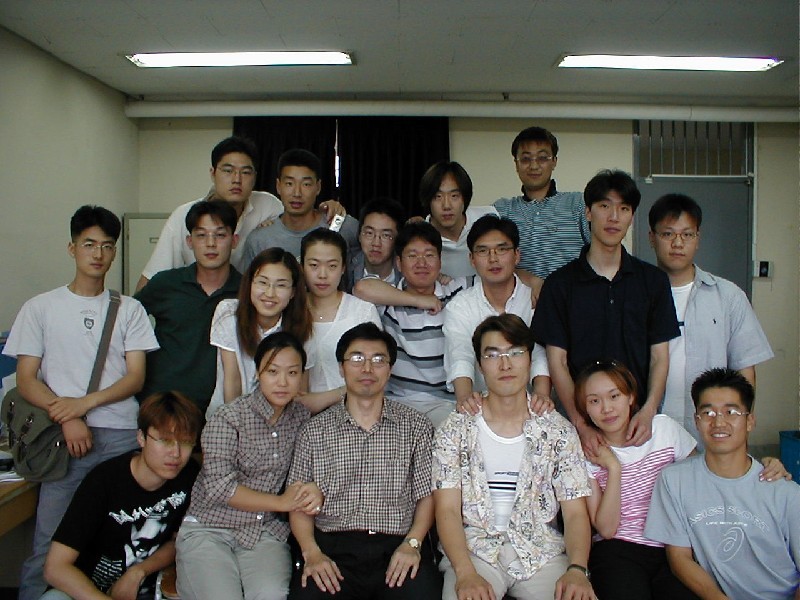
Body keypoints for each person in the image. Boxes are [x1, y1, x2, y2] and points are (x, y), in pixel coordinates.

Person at [3, 205, 159, 600]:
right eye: (89, 244)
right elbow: (26, 379)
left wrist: (83, 405)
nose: (98, 254)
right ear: (72, 248)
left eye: (107, 246)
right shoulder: (41, 307)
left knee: (119, 535)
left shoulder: (130, 309)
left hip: (121, 437)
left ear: (114, 252)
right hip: (62, 439)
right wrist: (68, 417)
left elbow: (135, 377)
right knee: (50, 538)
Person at [433, 314, 595, 600]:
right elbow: (446, 510)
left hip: (541, 552)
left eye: (516, 353)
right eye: (493, 355)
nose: (505, 364)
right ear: (479, 365)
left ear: (530, 360)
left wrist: (577, 570)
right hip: (475, 552)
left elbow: (574, 512)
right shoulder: (456, 428)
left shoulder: (557, 430)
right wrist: (465, 572)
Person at [287, 323, 442, 599]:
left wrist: (413, 543)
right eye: (357, 358)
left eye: (378, 360)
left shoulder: (416, 426)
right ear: (341, 368)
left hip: (397, 546)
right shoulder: (314, 430)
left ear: (390, 370)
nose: (367, 368)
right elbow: (297, 502)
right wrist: (312, 553)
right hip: (332, 549)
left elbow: (426, 496)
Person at [532, 170, 680, 454]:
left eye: (623, 209)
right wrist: (580, 424)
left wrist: (649, 411)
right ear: (588, 212)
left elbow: (660, 356)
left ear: (631, 217)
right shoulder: (560, 284)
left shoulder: (653, 281)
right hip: (580, 431)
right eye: (604, 206)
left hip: (638, 426)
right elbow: (557, 361)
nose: (614, 217)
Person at [176, 332, 323, 600]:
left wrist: (311, 489)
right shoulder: (228, 418)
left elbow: (308, 473)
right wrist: (281, 503)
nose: (282, 382)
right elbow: (220, 488)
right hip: (211, 528)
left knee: (272, 594)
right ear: (258, 373)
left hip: (265, 531)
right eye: (272, 371)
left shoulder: (301, 419)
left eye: (292, 373)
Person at [645, 368, 800, 600]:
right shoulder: (674, 480)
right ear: (697, 421)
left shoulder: (785, 492)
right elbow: (679, 558)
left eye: (731, 412)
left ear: (750, 421)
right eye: (707, 412)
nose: (719, 422)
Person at [42, 392, 202, 600]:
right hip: (86, 592)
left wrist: (139, 572)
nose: (176, 453)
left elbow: (179, 540)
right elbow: (55, 568)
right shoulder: (104, 481)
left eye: (186, 442)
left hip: (146, 588)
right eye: (165, 440)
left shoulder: (189, 474)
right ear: (141, 438)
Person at [136, 137, 343, 290]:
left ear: (255, 176)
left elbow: (298, 216)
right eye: (228, 171)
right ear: (213, 173)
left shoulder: (268, 205)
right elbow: (150, 279)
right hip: (197, 300)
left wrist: (328, 207)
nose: (236, 179)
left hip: (247, 301)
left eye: (245, 172)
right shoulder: (184, 216)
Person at [648, 193, 774, 443]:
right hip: (650, 429)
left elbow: (744, 368)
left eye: (687, 234)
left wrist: (740, 425)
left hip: (710, 428)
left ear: (698, 238)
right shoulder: (636, 294)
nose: (678, 243)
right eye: (668, 234)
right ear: (652, 238)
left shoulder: (728, 296)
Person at [574, 360, 698, 600]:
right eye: (594, 401)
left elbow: (702, 478)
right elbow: (606, 529)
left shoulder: (664, 430)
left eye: (614, 396)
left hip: (674, 547)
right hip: (618, 550)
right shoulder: (587, 453)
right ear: (585, 409)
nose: (607, 409)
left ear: (630, 397)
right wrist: (613, 468)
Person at [353, 221, 472, 426]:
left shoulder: (456, 291)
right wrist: (419, 300)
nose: (421, 263)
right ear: (399, 263)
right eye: (412, 255)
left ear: (440, 261)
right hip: (397, 403)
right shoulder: (388, 298)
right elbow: (361, 288)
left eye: (429, 255)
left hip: (446, 403)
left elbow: (501, 278)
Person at [135, 200, 242, 414]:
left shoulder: (247, 291)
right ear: (189, 241)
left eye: (220, 235)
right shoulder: (165, 283)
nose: (210, 243)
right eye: (201, 235)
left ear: (234, 240)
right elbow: (127, 323)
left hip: (219, 409)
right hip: (162, 406)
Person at [442, 214, 549, 411]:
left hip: (529, 404)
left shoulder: (535, 299)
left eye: (502, 249)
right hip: (481, 405)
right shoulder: (460, 306)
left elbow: (540, 354)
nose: (493, 259)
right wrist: (465, 400)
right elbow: (460, 355)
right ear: (472, 259)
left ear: (517, 255)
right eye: (483, 251)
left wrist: (541, 396)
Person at [207, 248, 311, 416]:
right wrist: (238, 425)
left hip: (280, 422)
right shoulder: (228, 312)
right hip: (228, 417)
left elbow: (299, 391)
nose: (270, 293)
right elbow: (232, 381)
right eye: (262, 282)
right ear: (250, 283)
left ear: (293, 292)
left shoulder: (302, 326)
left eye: (281, 285)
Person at [493, 126, 590, 303]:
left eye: (543, 158)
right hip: (520, 308)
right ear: (516, 164)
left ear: (554, 162)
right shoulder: (502, 210)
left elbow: (601, 253)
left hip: (573, 303)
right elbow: (485, 258)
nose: (534, 166)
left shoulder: (578, 204)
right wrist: (526, 277)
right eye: (526, 159)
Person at [300, 228, 382, 412]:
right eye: (314, 265)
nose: (322, 275)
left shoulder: (362, 312)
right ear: (302, 266)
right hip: (298, 415)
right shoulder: (290, 311)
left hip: (354, 412)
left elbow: (378, 371)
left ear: (343, 268)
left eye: (332, 266)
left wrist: (324, 399)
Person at [241, 148, 359, 268]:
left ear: (318, 187)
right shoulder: (259, 240)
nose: (297, 193)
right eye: (289, 183)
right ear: (278, 186)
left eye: (306, 184)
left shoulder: (343, 227)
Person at [419, 160, 497, 278]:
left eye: (454, 196)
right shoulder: (420, 239)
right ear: (428, 200)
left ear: (464, 198)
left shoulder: (488, 217)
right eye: (438, 197)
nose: (446, 205)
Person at [346, 197, 405, 291]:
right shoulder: (346, 268)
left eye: (386, 235)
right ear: (359, 236)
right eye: (369, 233)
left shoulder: (407, 272)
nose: (376, 243)